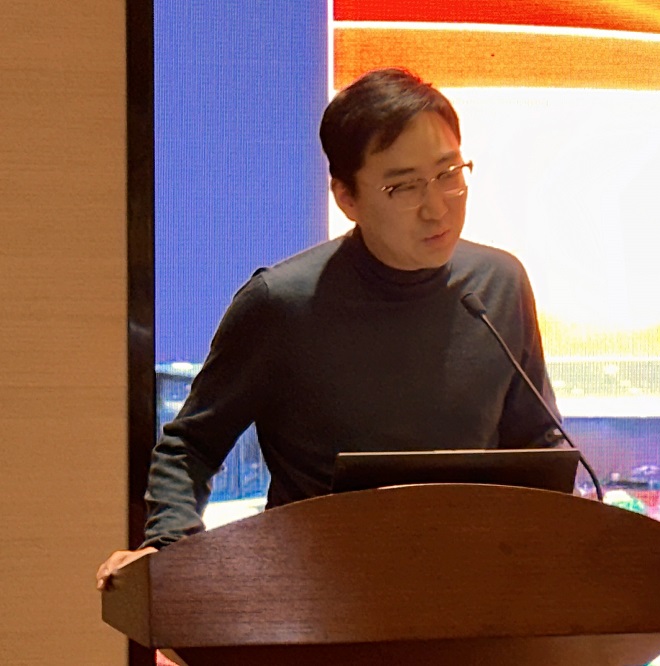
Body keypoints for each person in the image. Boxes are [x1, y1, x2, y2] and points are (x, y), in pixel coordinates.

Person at [97, 67, 561, 589]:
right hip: (314, 595)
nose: (437, 208)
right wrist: (167, 546)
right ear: (347, 198)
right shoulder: (281, 303)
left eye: (449, 173)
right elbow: (189, 448)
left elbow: (538, 443)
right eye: (404, 186)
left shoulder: (500, 284)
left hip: (469, 587)